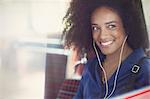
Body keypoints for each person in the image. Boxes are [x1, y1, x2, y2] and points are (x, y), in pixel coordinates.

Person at [62, 0, 150, 98]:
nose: (102, 36)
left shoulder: (145, 71)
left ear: (127, 26)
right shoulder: (91, 67)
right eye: (95, 28)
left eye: (111, 26)